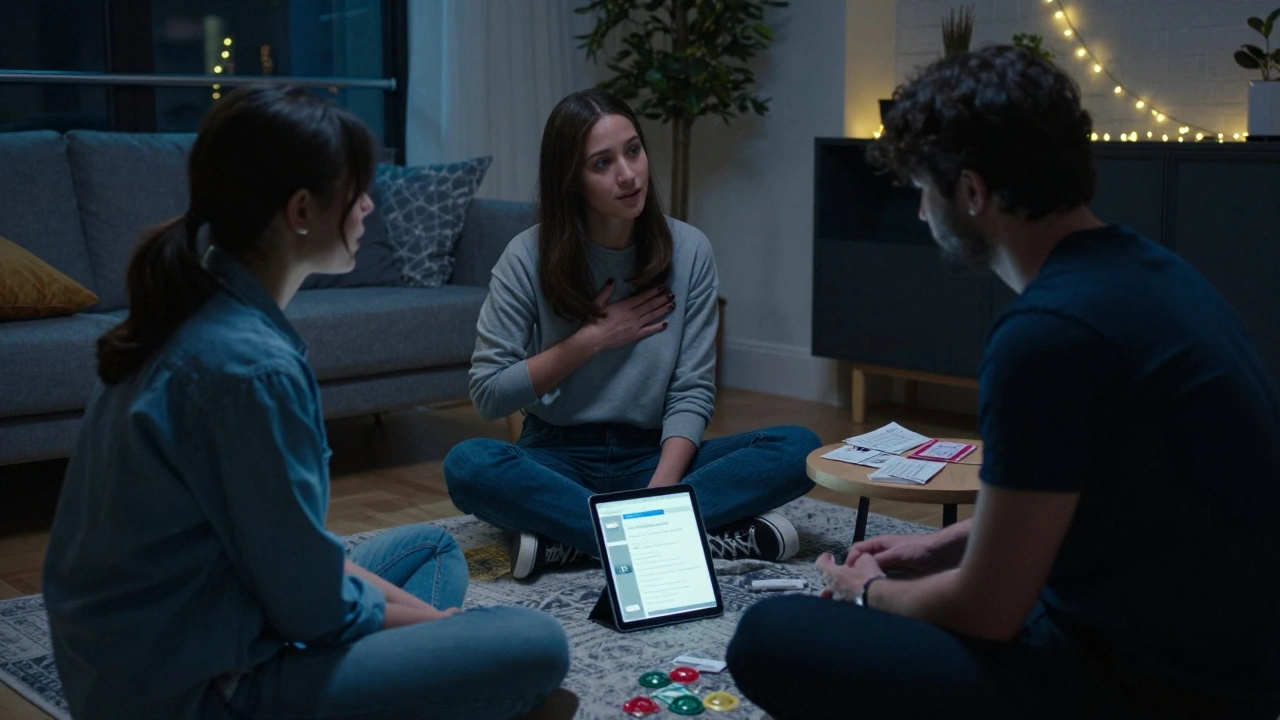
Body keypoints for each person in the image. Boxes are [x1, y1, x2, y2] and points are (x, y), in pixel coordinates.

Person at [726, 45, 1280, 719]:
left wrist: (867, 592)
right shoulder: (1157, 273)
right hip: (1225, 663)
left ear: (972, 192)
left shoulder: (1046, 335)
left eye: (926, 191)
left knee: (770, 637)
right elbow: (1105, 495)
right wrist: (944, 542)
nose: (923, 214)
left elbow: (986, 611)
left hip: (1141, 686)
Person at [42, 86, 569, 720]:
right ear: (300, 210)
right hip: (197, 690)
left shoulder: (189, 310)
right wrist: (442, 636)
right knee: (537, 646)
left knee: (430, 550)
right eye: (359, 190)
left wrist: (435, 629)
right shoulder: (249, 367)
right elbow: (313, 610)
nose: (370, 206)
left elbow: (292, 560)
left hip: (155, 650)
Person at [443, 88, 820, 580]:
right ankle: (690, 537)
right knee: (469, 464)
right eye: (602, 163)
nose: (628, 174)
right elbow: (489, 394)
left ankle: (575, 540)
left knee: (799, 448)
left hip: (653, 453)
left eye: (633, 150)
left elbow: (691, 390)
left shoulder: (689, 250)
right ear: (571, 180)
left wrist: (660, 490)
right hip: (556, 457)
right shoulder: (526, 256)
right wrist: (590, 340)